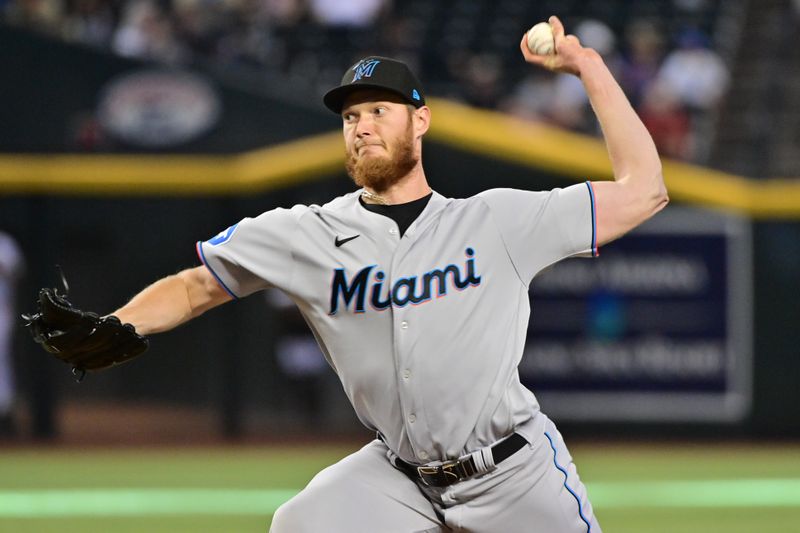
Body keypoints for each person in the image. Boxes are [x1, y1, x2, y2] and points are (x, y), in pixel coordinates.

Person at [110, 16, 667, 532]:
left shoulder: (495, 220)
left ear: (420, 120)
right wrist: (117, 324)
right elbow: (196, 286)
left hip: (513, 471)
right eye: (351, 116)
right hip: (400, 477)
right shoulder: (308, 233)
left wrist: (590, 68)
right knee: (299, 524)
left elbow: (644, 191)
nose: (362, 126)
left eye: (380, 110)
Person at [0, 231, 24, 437]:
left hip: (1, 314)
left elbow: (10, 271)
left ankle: (5, 412)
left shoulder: (5, 244)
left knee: (2, 363)